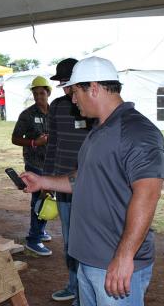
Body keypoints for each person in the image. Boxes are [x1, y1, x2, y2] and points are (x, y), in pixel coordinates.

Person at [21, 56, 164, 306]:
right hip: (88, 259)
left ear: (94, 88)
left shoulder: (136, 131)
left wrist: (124, 256)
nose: (73, 99)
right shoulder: (98, 129)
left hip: (113, 265)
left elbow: (148, 194)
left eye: (75, 91)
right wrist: (43, 181)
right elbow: (83, 178)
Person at [45, 58, 92, 305]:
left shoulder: (93, 108)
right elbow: (52, 144)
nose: (65, 89)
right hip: (62, 185)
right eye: (62, 84)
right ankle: (73, 285)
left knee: (89, 240)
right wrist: (48, 179)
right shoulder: (57, 107)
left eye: (68, 83)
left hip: (89, 186)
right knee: (70, 240)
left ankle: (88, 291)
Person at [11, 76, 52, 256]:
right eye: (35, 93)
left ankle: (40, 231)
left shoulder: (55, 112)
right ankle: (33, 239)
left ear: (48, 93)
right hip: (35, 164)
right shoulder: (27, 115)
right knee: (39, 200)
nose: (38, 97)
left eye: (41, 93)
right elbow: (15, 138)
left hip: (52, 164)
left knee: (48, 198)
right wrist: (35, 142)